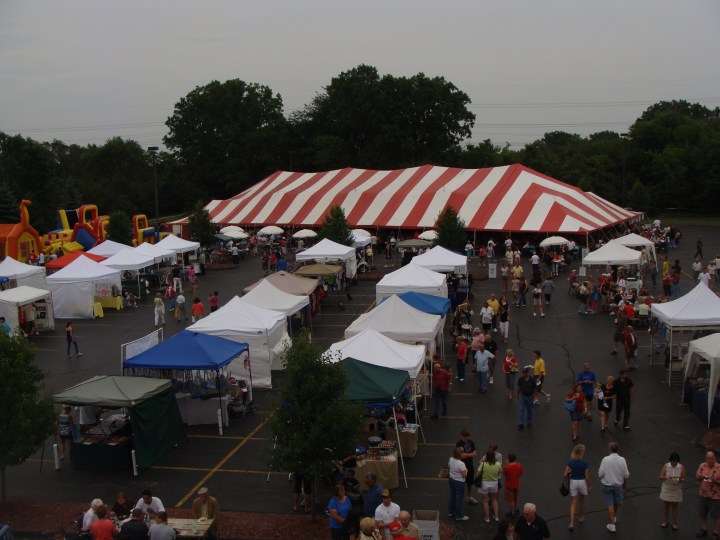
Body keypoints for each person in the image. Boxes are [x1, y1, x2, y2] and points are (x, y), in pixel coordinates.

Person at [598, 442, 630, 533]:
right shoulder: (622, 459)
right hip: (618, 485)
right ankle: (614, 517)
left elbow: (600, 473)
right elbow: (626, 474)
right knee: (616, 503)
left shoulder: (605, 459)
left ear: (610, 449)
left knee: (610, 503)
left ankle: (612, 524)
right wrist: (625, 484)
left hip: (607, 485)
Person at [564, 444, 591, 531]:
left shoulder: (570, 462)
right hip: (582, 482)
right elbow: (587, 477)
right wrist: (589, 486)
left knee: (573, 502)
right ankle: (581, 516)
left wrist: (569, 472)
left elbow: (565, 474)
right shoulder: (584, 463)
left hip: (573, 482)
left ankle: (571, 523)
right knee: (581, 500)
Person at [695, 450, 720, 539]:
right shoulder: (702, 466)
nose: (710, 460)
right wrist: (700, 477)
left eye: (711, 458)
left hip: (715, 496)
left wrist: (715, 481)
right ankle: (703, 529)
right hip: (703, 494)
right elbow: (697, 477)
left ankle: (716, 532)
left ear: (715, 458)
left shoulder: (719, 468)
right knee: (702, 513)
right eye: (708, 459)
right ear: (706, 458)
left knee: (715, 516)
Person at [659, 452, 685, 530]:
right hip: (667, 488)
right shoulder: (666, 466)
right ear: (670, 461)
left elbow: (683, 478)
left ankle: (674, 522)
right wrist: (665, 477)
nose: (674, 463)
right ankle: (665, 521)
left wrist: (680, 479)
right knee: (666, 505)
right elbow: (660, 477)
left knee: (675, 506)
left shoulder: (681, 467)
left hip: (676, 489)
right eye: (673, 461)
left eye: (676, 462)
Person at [476, 450, 502, 524]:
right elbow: (499, 473)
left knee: (485, 501)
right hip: (494, 484)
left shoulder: (483, 464)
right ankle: (496, 517)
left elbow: (477, 474)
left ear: (486, 457)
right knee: (494, 500)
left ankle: (487, 518)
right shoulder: (498, 464)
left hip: (484, 484)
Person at [456, 428, 478, 504]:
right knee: (460, 482)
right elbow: (459, 456)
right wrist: (467, 455)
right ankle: (459, 497)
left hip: (469, 465)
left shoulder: (471, 442)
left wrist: (466, 454)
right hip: (461, 467)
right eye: (465, 437)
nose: (466, 438)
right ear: (462, 436)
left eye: (467, 436)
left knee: (469, 482)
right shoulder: (459, 444)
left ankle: (469, 496)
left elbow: (475, 454)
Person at [448, 446, 469, 522]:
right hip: (459, 482)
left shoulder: (450, 459)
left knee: (452, 495)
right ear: (460, 455)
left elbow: (449, 467)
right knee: (459, 499)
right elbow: (464, 475)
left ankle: (451, 511)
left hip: (451, 479)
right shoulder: (461, 464)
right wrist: (466, 470)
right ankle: (459, 515)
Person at [502, 453, 524, 519]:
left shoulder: (507, 467)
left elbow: (504, 474)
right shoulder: (519, 465)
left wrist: (507, 464)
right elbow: (521, 473)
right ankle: (516, 509)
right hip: (516, 484)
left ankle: (512, 512)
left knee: (511, 500)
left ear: (508, 459)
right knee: (516, 497)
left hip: (509, 485)